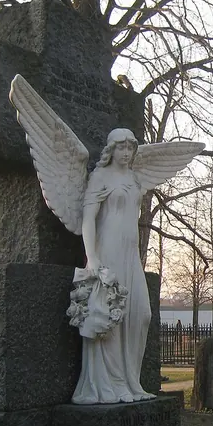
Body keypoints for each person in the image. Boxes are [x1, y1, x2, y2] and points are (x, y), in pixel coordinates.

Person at [72, 129, 155, 404]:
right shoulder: (99, 177)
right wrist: (92, 257)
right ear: (111, 150)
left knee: (140, 314)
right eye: (121, 148)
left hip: (130, 255)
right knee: (112, 318)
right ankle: (113, 384)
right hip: (108, 251)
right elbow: (88, 220)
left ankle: (132, 381)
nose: (127, 153)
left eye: (130, 148)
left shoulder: (133, 178)